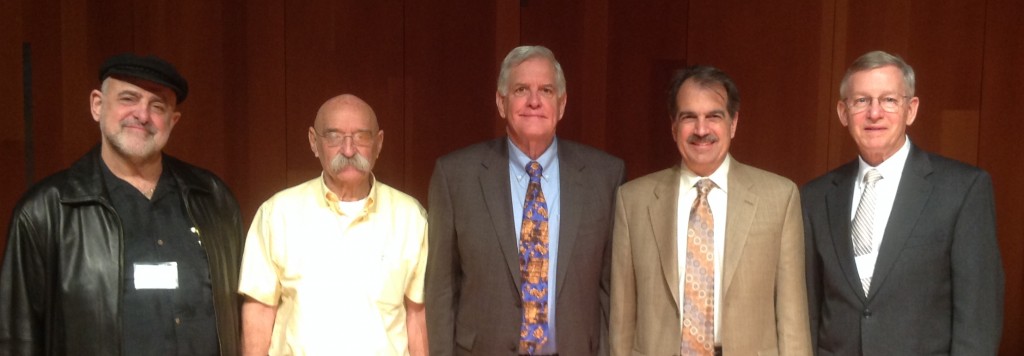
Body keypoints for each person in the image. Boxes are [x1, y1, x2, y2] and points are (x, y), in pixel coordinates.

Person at [0, 53, 244, 355]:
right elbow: (17, 337)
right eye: (129, 98)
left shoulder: (213, 198)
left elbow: (243, 314)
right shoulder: (46, 211)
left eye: (158, 106)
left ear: (173, 121)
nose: (142, 115)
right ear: (97, 105)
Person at [425, 45, 625, 356]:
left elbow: (615, 290)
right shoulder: (455, 177)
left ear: (561, 104)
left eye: (546, 90)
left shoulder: (605, 176)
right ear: (501, 102)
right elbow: (441, 290)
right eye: (521, 89)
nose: (534, 101)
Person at [802, 50, 1003, 355]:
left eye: (889, 100)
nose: (874, 113)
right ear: (843, 113)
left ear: (911, 109)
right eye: (861, 101)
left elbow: (978, 317)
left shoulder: (962, 189)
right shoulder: (815, 197)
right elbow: (812, 311)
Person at [610, 65, 812, 356]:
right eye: (689, 117)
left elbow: (793, 317)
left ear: (733, 123)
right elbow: (622, 318)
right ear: (673, 126)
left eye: (713, 116)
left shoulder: (779, 198)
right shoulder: (633, 201)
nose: (701, 130)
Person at [238, 94, 428, 355]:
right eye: (334, 137)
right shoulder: (277, 214)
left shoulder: (411, 217)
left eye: (361, 136)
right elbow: (258, 312)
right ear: (314, 142)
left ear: (378, 143)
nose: (348, 150)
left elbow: (417, 317)